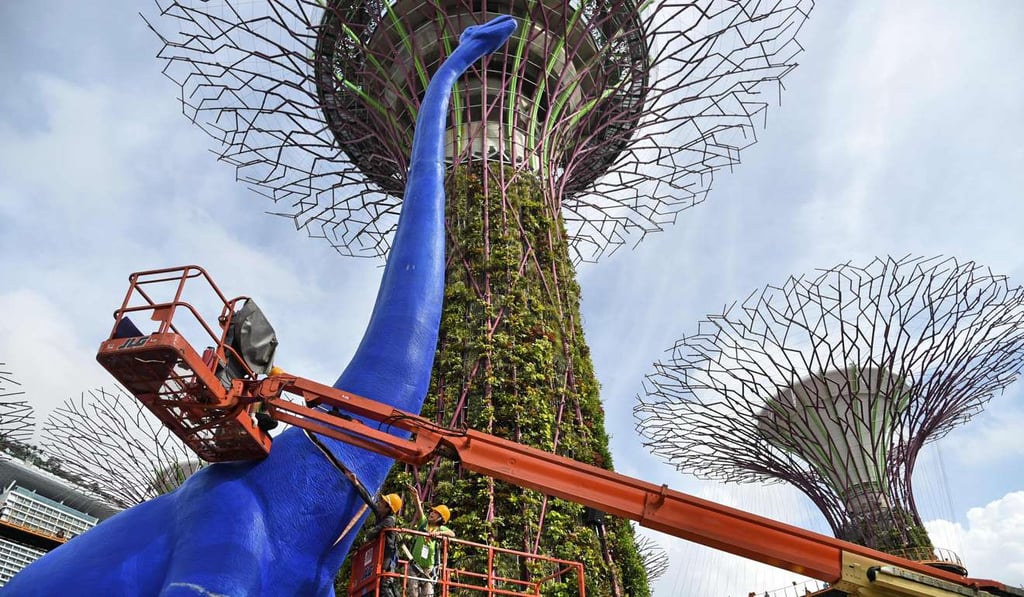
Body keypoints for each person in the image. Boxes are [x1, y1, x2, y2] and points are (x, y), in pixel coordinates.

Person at [406, 484, 454, 597]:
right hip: (415, 564)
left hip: (429, 567)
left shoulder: (440, 528)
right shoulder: (423, 523)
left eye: (435, 513)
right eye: (432, 512)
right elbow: (419, 510)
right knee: (413, 592)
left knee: (427, 593)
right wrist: (416, 497)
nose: (432, 513)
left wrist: (438, 534)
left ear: (441, 518)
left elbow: (452, 534)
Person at [366, 493, 403, 597]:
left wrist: (368, 534)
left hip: (388, 555)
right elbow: (369, 501)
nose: (380, 503)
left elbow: (374, 532)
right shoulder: (381, 515)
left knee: (385, 581)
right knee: (378, 583)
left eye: (383, 502)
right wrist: (356, 483)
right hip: (382, 554)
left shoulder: (390, 520)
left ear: (388, 508)